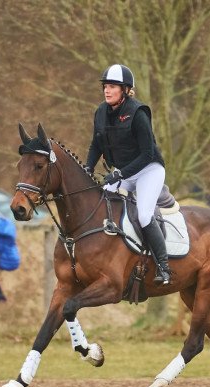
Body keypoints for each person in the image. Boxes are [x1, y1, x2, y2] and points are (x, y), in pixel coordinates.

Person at [85, 64, 171, 285]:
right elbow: (96, 144)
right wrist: (87, 167)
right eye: (105, 86)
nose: (106, 90)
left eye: (112, 86)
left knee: (143, 215)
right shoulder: (101, 112)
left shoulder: (138, 112)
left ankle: (163, 266)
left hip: (149, 170)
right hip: (122, 173)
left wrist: (120, 174)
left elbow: (147, 153)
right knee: (100, 203)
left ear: (125, 90)